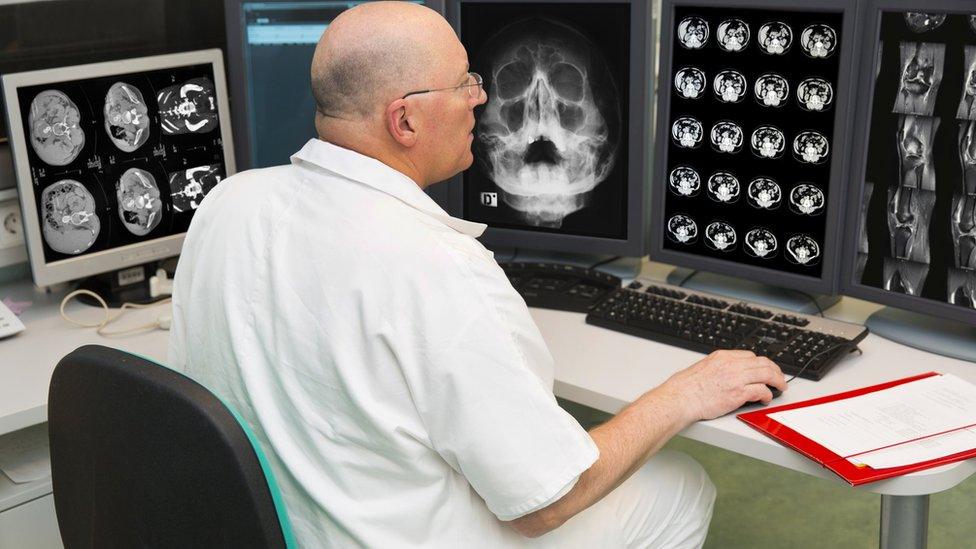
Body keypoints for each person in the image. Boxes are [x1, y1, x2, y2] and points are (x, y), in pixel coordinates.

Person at [167, 2, 787, 547]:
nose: (481, 98)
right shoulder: (436, 266)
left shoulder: (229, 202)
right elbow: (545, 501)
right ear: (404, 121)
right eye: (464, 83)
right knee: (677, 486)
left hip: (289, 525)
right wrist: (683, 395)